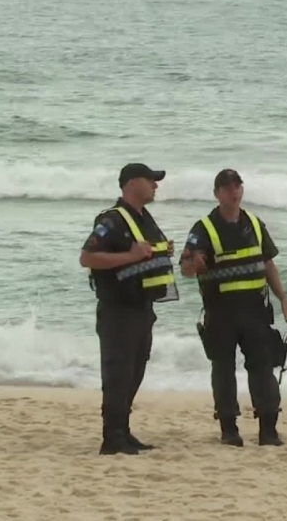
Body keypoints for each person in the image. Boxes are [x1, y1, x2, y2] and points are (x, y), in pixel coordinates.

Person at [180, 168, 287, 447]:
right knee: (223, 369)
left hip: (255, 310)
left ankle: (268, 428)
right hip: (220, 312)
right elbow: (185, 268)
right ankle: (228, 428)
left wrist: (284, 299)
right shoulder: (203, 229)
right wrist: (193, 266)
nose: (234, 192)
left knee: (263, 367)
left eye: (237, 186)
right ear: (217, 193)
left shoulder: (255, 225)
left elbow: (268, 265)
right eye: (227, 187)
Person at [78, 163, 178, 456]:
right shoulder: (111, 220)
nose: (156, 186)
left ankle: (123, 430)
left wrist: (163, 251)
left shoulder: (144, 218)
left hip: (142, 307)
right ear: (133, 183)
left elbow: (146, 252)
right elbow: (87, 257)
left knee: (135, 370)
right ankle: (112, 437)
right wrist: (130, 255)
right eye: (151, 181)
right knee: (118, 373)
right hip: (117, 309)